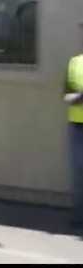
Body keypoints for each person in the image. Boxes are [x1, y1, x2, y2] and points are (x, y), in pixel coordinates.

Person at [64, 52, 83, 228]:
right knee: (78, 174)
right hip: (77, 127)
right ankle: (79, 217)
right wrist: (77, 97)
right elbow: (66, 96)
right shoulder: (74, 63)